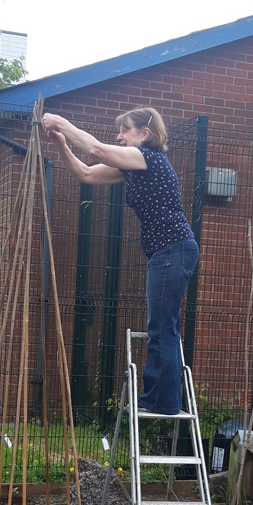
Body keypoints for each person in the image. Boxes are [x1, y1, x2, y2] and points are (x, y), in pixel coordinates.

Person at [43, 106, 199, 416]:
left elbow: (95, 149)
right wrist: (61, 144)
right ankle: (163, 399)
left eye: (125, 130)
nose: (119, 136)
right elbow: (86, 173)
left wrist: (60, 121)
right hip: (168, 250)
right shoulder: (133, 166)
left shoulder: (148, 157)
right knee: (163, 325)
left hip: (172, 248)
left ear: (145, 133)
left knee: (162, 326)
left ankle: (162, 401)